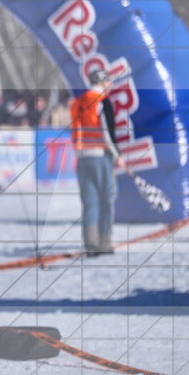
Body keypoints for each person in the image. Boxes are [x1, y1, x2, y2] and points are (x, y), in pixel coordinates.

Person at [70, 69, 123, 255]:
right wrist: (118, 155)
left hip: (82, 158)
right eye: (109, 81)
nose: (111, 85)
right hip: (100, 156)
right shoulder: (102, 101)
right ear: (102, 82)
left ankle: (90, 244)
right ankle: (104, 242)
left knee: (89, 202)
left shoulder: (77, 102)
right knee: (107, 199)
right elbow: (107, 132)